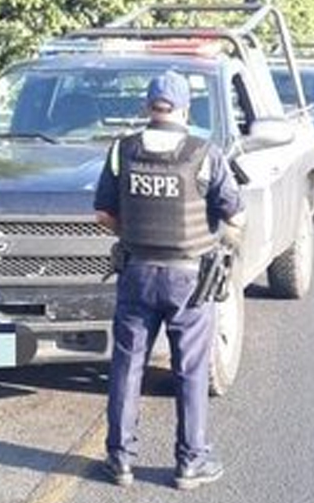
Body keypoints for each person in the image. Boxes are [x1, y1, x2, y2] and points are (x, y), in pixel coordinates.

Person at [93, 70, 245, 490]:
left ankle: (119, 460)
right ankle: (190, 463)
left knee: (127, 366)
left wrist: (134, 232)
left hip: (137, 272)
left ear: (148, 106)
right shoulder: (205, 153)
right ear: (185, 109)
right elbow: (235, 214)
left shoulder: (122, 150)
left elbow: (103, 214)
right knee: (191, 370)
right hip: (190, 279)